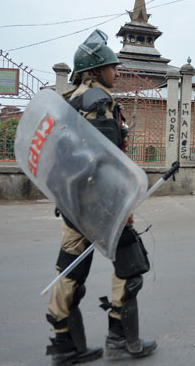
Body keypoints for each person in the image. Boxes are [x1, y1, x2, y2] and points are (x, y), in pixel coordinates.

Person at [45, 29, 156, 365]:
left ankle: (64, 343)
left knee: (70, 271)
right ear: (95, 71)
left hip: (70, 203)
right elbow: (105, 163)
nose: (117, 73)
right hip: (100, 206)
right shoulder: (98, 104)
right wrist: (121, 208)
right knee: (130, 265)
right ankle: (120, 338)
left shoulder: (67, 102)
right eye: (112, 67)